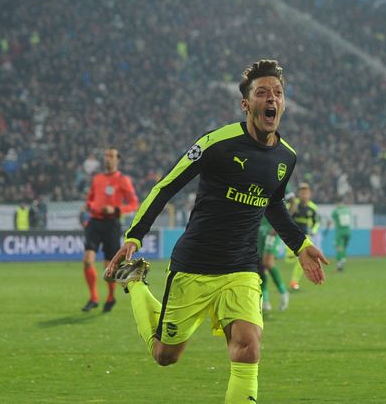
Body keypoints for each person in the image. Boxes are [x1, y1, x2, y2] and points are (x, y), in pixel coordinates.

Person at [103, 60, 328, 403]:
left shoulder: (286, 157)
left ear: (283, 103)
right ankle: (134, 282)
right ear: (246, 104)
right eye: (262, 92)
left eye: (278, 93)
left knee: (248, 347)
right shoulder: (216, 143)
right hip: (195, 265)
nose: (272, 99)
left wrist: (301, 244)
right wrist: (134, 236)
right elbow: (165, 187)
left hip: (241, 269)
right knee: (166, 355)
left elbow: (273, 204)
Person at [80, 147, 139, 313]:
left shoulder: (123, 180)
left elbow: (134, 204)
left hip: (111, 224)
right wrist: (89, 205)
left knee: (109, 268)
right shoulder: (97, 178)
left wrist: (116, 210)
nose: (108, 159)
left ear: (117, 159)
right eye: (106, 156)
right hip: (94, 222)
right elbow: (91, 199)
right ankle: (93, 298)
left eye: (111, 156)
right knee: (87, 260)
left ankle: (111, 297)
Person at [287, 182, 320, 291]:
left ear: (309, 194)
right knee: (289, 259)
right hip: (290, 236)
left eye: (306, 192)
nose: (304, 194)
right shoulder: (293, 204)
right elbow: (284, 215)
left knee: (302, 258)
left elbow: (317, 222)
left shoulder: (313, 208)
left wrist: (314, 230)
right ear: (299, 193)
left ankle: (294, 282)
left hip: (305, 237)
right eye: (302, 192)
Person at [257, 216, 289, 312]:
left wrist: (278, 225)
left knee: (268, 262)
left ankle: (283, 292)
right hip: (259, 228)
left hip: (271, 231)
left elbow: (290, 206)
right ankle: (265, 300)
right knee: (260, 266)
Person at [329, 198, 352, 272]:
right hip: (348, 232)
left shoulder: (336, 211)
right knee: (344, 247)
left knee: (339, 247)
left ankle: (341, 262)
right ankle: (343, 260)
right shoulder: (348, 210)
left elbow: (331, 220)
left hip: (340, 232)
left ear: (337, 203)